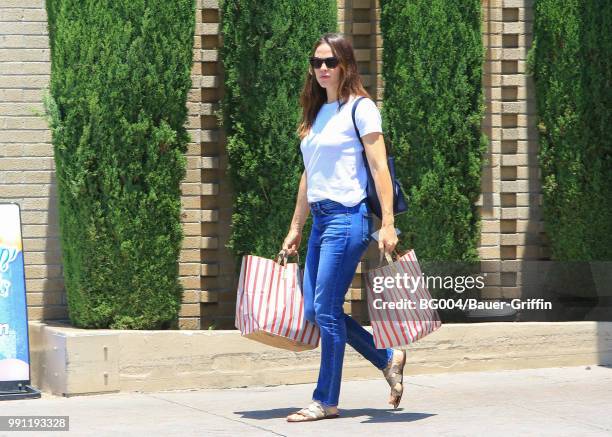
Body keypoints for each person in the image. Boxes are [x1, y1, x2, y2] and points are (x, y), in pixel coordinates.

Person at [282, 33, 407, 422]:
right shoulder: (316, 111)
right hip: (320, 220)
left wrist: (387, 223)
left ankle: (326, 400)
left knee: (326, 309)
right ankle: (388, 358)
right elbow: (309, 174)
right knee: (316, 311)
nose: (322, 69)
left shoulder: (362, 108)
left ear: (345, 65)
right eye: (316, 62)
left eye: (330, 62)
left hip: (348, 219)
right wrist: (296, 227)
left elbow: (379, 166)